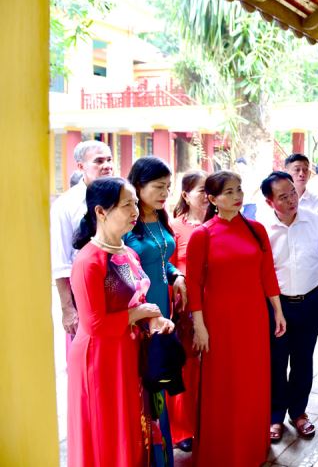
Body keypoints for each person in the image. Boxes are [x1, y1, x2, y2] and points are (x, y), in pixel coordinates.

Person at [68, 177, 174, 467]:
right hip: (100, 359)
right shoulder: (89, 261)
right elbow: (94, 325)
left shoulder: (127, 253)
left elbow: (136, 301)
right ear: (101, 212)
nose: (135, 211)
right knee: (107, 431)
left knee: (130, 424)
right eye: (126, 205)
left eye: (135, 204)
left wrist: (154, 320)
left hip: (127, 351)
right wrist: (141, 314)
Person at [186, 170, 286, 466]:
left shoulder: (256, 229)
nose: (237, 196)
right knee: (223, 386)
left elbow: (267, 272)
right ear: (213, 199)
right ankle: (221, 451)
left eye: (239, 189)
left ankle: (252, 447)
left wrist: (278, 311)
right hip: (218, 321)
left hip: (254, 319)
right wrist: (199, 326)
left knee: (252, 384)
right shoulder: (203, 235)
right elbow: (193, 283)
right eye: (229, 192)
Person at [260, 172, 318, 442]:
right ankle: (274, 417)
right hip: (276, 306)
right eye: (282, 197)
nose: (291, 200)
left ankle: (299, 413)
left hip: (309, 301)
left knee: (303, 359)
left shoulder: (315, 221)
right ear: (269, 201)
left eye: (292, 193)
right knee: (276, 362)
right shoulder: (262, 228)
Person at [125, 156, 187, 465]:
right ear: (138, 186)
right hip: (140, 318)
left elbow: (164, 261)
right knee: (143, 388)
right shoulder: (124, 224)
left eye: (168, 187)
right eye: (158, 187)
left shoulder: (160, 218)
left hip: (164, 313)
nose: (165, 193)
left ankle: (163, 456)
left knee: (159, 382)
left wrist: (177, 276)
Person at [50, 140, 113, 338]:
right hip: (84, 291)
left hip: (119, 287)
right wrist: (68, 309)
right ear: (80, 166)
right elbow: (60, 261)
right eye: (99, 161)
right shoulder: (66, 205)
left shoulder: (120, 197)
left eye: (109, 160)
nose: (107, 166)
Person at [166, 170, 208, 453]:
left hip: (219, 306)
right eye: (200, 190)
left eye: (210, 190)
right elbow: (168, 269)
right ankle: (183, 428)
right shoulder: (174, 228)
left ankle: (209, 420)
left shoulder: (221, 223)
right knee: (188, 368)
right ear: (185, 195)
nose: (206, 195)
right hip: (188, 311)